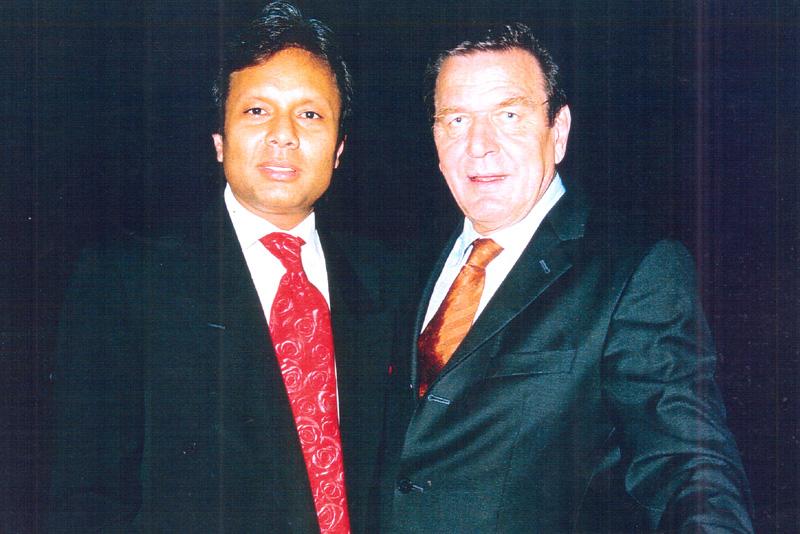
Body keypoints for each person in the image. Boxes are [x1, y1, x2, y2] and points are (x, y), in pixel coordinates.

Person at [379, 22, 754, 533]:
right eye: (457, 120)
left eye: (509, 115)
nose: (479, 145)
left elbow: (687, 465)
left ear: (558, 131)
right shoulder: (401, 266)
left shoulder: (633, 271)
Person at [47, 3, 404, 532]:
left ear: (339, 149)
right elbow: (86, 498)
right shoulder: (124, 283)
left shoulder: (392, 281)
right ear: (219, 141)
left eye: (310, 114)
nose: (283, 134)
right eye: (257, 111)